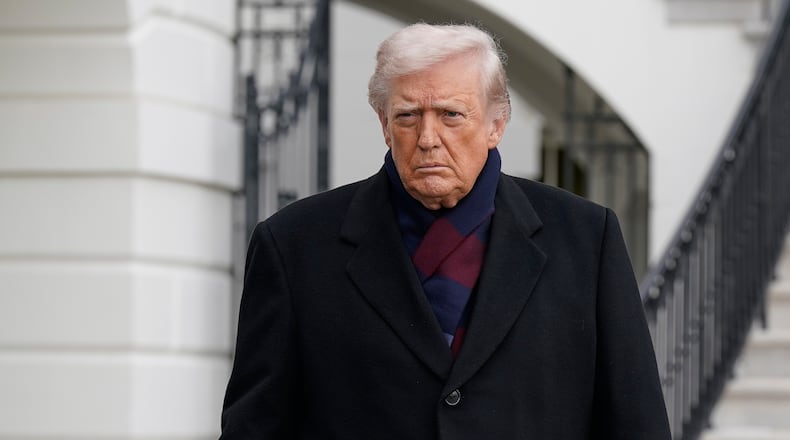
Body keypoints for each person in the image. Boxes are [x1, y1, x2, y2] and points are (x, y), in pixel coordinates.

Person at [220, 23, 670, 439]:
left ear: (496, 125)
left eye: (451, 114)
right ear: (384, 125)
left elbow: (636, 425)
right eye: (408, 116)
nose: (428, 138)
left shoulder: (587, 240)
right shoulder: (293, 247)